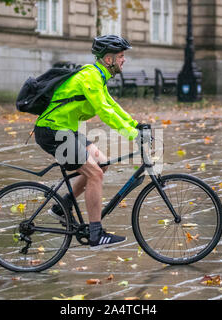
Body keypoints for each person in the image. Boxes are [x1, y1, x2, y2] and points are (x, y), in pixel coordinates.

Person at [34, 35, 139, 250]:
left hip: (66, 130)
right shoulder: (90, 76)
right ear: (108, 59)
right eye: (121, 56)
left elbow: (112, 106)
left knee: (102, 163)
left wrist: (135, 126)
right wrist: (133, 135)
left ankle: (63, 205)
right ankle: (96, 233)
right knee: (95, 174)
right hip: (52, 131)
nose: (124, 60)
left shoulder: (98, 76)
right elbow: (103, 112)